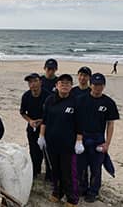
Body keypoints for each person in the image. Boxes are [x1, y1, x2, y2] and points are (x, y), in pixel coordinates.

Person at [75, 73, 119, 203]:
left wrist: (107, 143)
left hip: (98, 138)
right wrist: (77, 139)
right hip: (82, 137)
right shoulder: (80, 100)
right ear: (90, 84)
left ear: (104, 86)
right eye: (94, 84)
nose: (97, 87)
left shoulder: (108, 102)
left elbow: (110, 124)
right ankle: (82, 188)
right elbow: (75, 120)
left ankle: (93, 192)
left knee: (96, 168)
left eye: (100, 85)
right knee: (81, 166)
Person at [39, 74, 79, 205]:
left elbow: (80, 124)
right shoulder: (50, 100)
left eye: (68, 83)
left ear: (71, 86)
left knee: (68, 173)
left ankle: (72, 199)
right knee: (54, 170)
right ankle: (57, 192)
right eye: (62, 83)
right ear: (56, 85)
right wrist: (41, 136)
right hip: (51, 142)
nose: (65, 85)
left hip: (68, 144)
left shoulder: (75, 102)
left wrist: (79, 141)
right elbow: (44, 120)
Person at [20, 73, 51, 179]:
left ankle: (49, 175)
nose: (33, 84)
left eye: (35, 81)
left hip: (47, 126)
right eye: (30, 82)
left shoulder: (48, 96)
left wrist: (42, 120)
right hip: (32, 126)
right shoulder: (26, 96)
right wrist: (30, 121)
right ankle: (34, 171)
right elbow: (23, 112)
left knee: (47, 151)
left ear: (40, 82)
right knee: (33, 151)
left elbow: (52, 113)